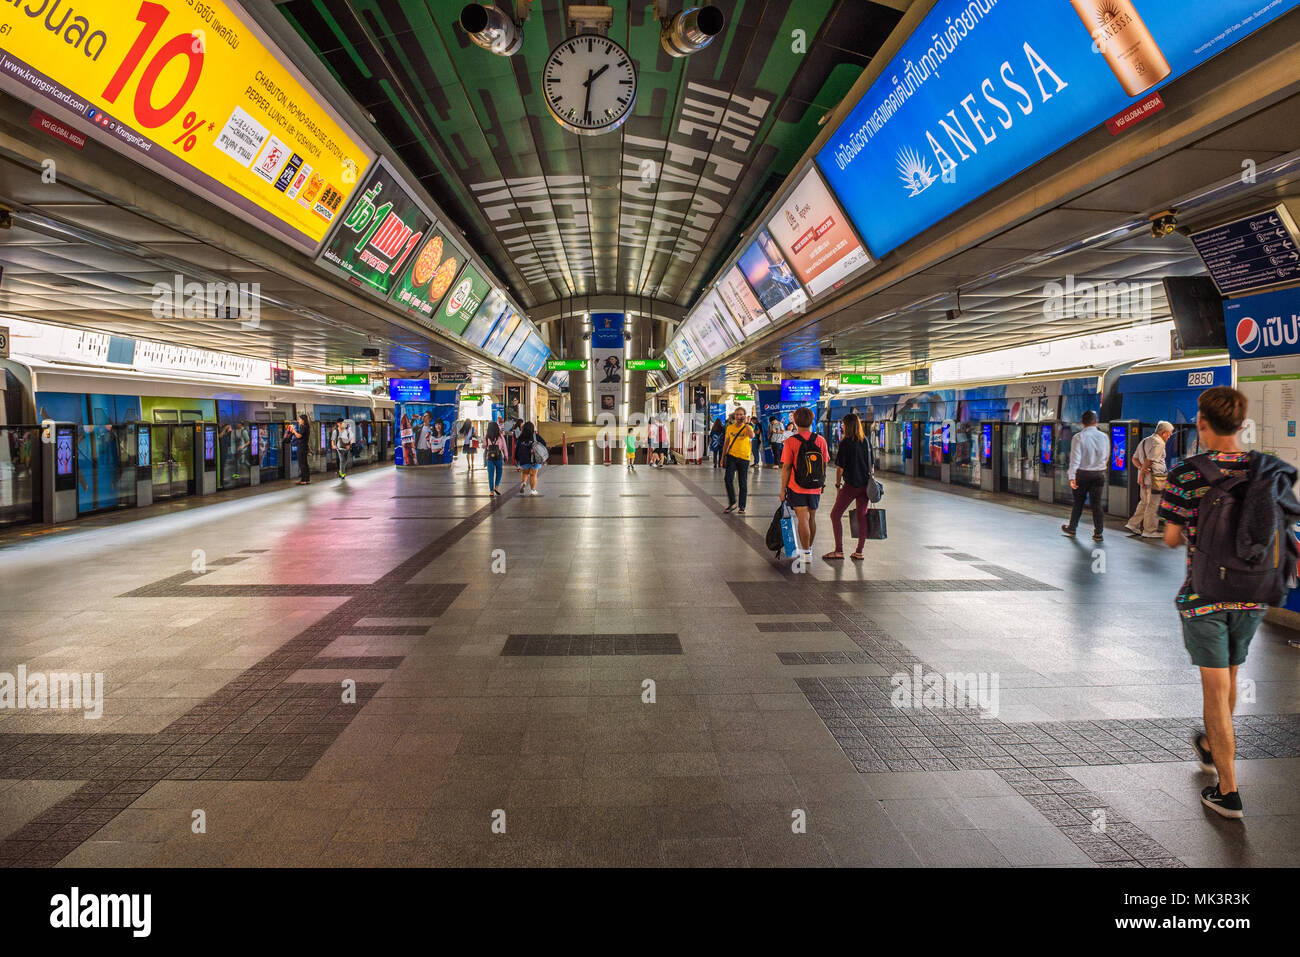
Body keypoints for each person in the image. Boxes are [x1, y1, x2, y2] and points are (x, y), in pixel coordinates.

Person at [1158, 387, 1300, 819]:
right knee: (1229, 680)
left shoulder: (1187, 473)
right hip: (1253, 595)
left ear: (1202, 424)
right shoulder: (1266, 471)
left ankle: (1229, 790)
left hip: (1205, 596)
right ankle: (1210, 743)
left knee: (1215, 690)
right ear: (1242, 425)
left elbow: (1168, 537)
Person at [780, 407, 830, 566]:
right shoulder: (821, 440)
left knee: (803, 517)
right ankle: (809, 549)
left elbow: (786, 467)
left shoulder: (791, 441)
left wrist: (783, 489)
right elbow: (825, 462)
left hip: (797, 486)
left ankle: (806, 552)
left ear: (794, 420)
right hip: (815, 486)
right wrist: (822, 482)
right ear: (812, 420)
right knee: (812, 517)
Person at [823, 412, 873, 562]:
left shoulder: (846, 442)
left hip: (851, 485)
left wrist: (838, 486)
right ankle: (859, 551)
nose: (842, 426)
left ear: (848, 426)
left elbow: (840, 468)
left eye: (843, 424)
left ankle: (839, 550)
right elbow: (872, 465)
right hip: (866, 485)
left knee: (835, 515)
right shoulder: (866, 441)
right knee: (861, 516)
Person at [1061, 410, 1109, 542]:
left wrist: (1072, 477)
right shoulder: (1104, 437)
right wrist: (1099, 467)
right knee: (1096, 504)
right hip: (1099, 474)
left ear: (1082, 422)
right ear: (1096, 421)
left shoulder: (1078, 437)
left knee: (1078, 503)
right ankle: (1098, 533)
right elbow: (1106, 456)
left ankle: (1072, 528)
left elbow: (1075, 459)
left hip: (1082, 474)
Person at [1125, 421, 1172, 538]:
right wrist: (1142, 475)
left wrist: (1141, 470)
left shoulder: (1144, 441)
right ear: (1163, 432)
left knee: (1144, 502)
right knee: (1153, 504)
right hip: (1154, 479)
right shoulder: (1159, 443)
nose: (1170, 436)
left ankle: (1133, 524)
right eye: (1169, 434)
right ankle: (1149, 530)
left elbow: (1134, 459)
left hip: (1146, 479)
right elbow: (1149, 460)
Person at [721, 408, 753, 514]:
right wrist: (722, 458)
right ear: (734, 416)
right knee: (728, 479)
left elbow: (752, 436)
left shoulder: (748, 427)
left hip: (744, 458)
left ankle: (742, 506)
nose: (739, 416)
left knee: (742, 482)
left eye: (741, 415)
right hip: (732, 457)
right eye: (737, 414)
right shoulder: (730, 428)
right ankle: (733, 502)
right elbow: (726, 443)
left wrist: (746, 424)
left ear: (744, 416)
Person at [515, 421, 542, 495]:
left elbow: (517, 449)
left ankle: (524, 483)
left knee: (525, 473)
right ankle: (533, 490)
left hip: (524, 459)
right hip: (535, 459)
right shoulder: (535, 436)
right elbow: (544, 443)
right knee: (533, 475)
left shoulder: (520, 438)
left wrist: (518, 461)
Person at [483, 420, 507, 496]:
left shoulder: (486, 437)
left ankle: (491, 491)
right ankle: (496, 487)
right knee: (499, 472)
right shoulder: (500, 436)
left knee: (490, 474)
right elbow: (504, 447)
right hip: (498, 456)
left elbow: (484, 446)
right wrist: (506, 456)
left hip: (489, 457)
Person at [289, 413, 311, 485]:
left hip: (301, 447)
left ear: (303, 420)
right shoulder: (307, 426)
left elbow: (299, 436)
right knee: (305, 463)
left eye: (299, 419)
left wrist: (293, 431)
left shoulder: (304, 427)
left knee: (302, 463)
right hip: (304, 446)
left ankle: (303, 480)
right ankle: (307, 479)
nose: (298, 421)